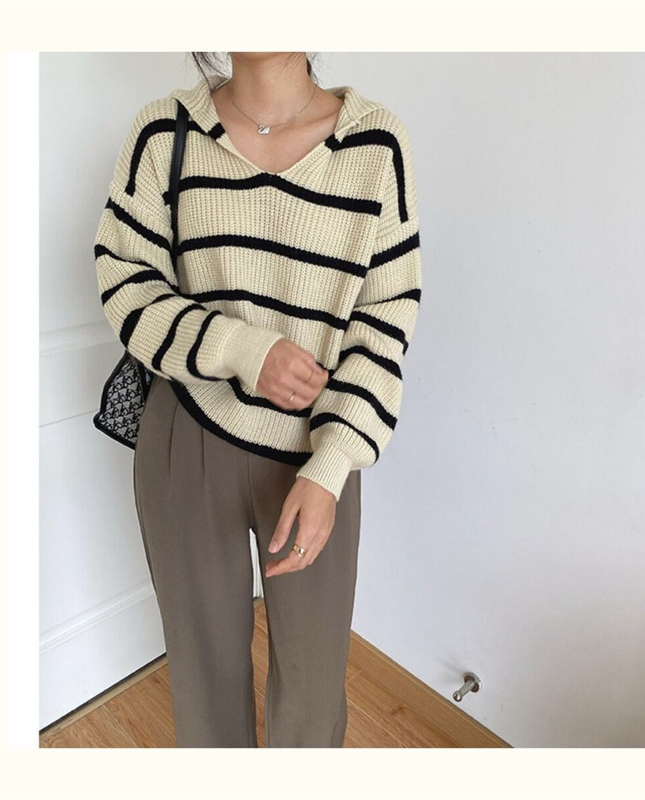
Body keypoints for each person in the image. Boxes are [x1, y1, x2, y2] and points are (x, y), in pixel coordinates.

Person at [93, 51, 422, 747]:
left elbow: (385, 324)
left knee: (312, 688)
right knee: (204, 678)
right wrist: (243, 350)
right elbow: (126, 285)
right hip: (186, 436)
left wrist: (332, 465)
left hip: (314, 457)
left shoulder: (375, 145)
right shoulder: (163, 132)